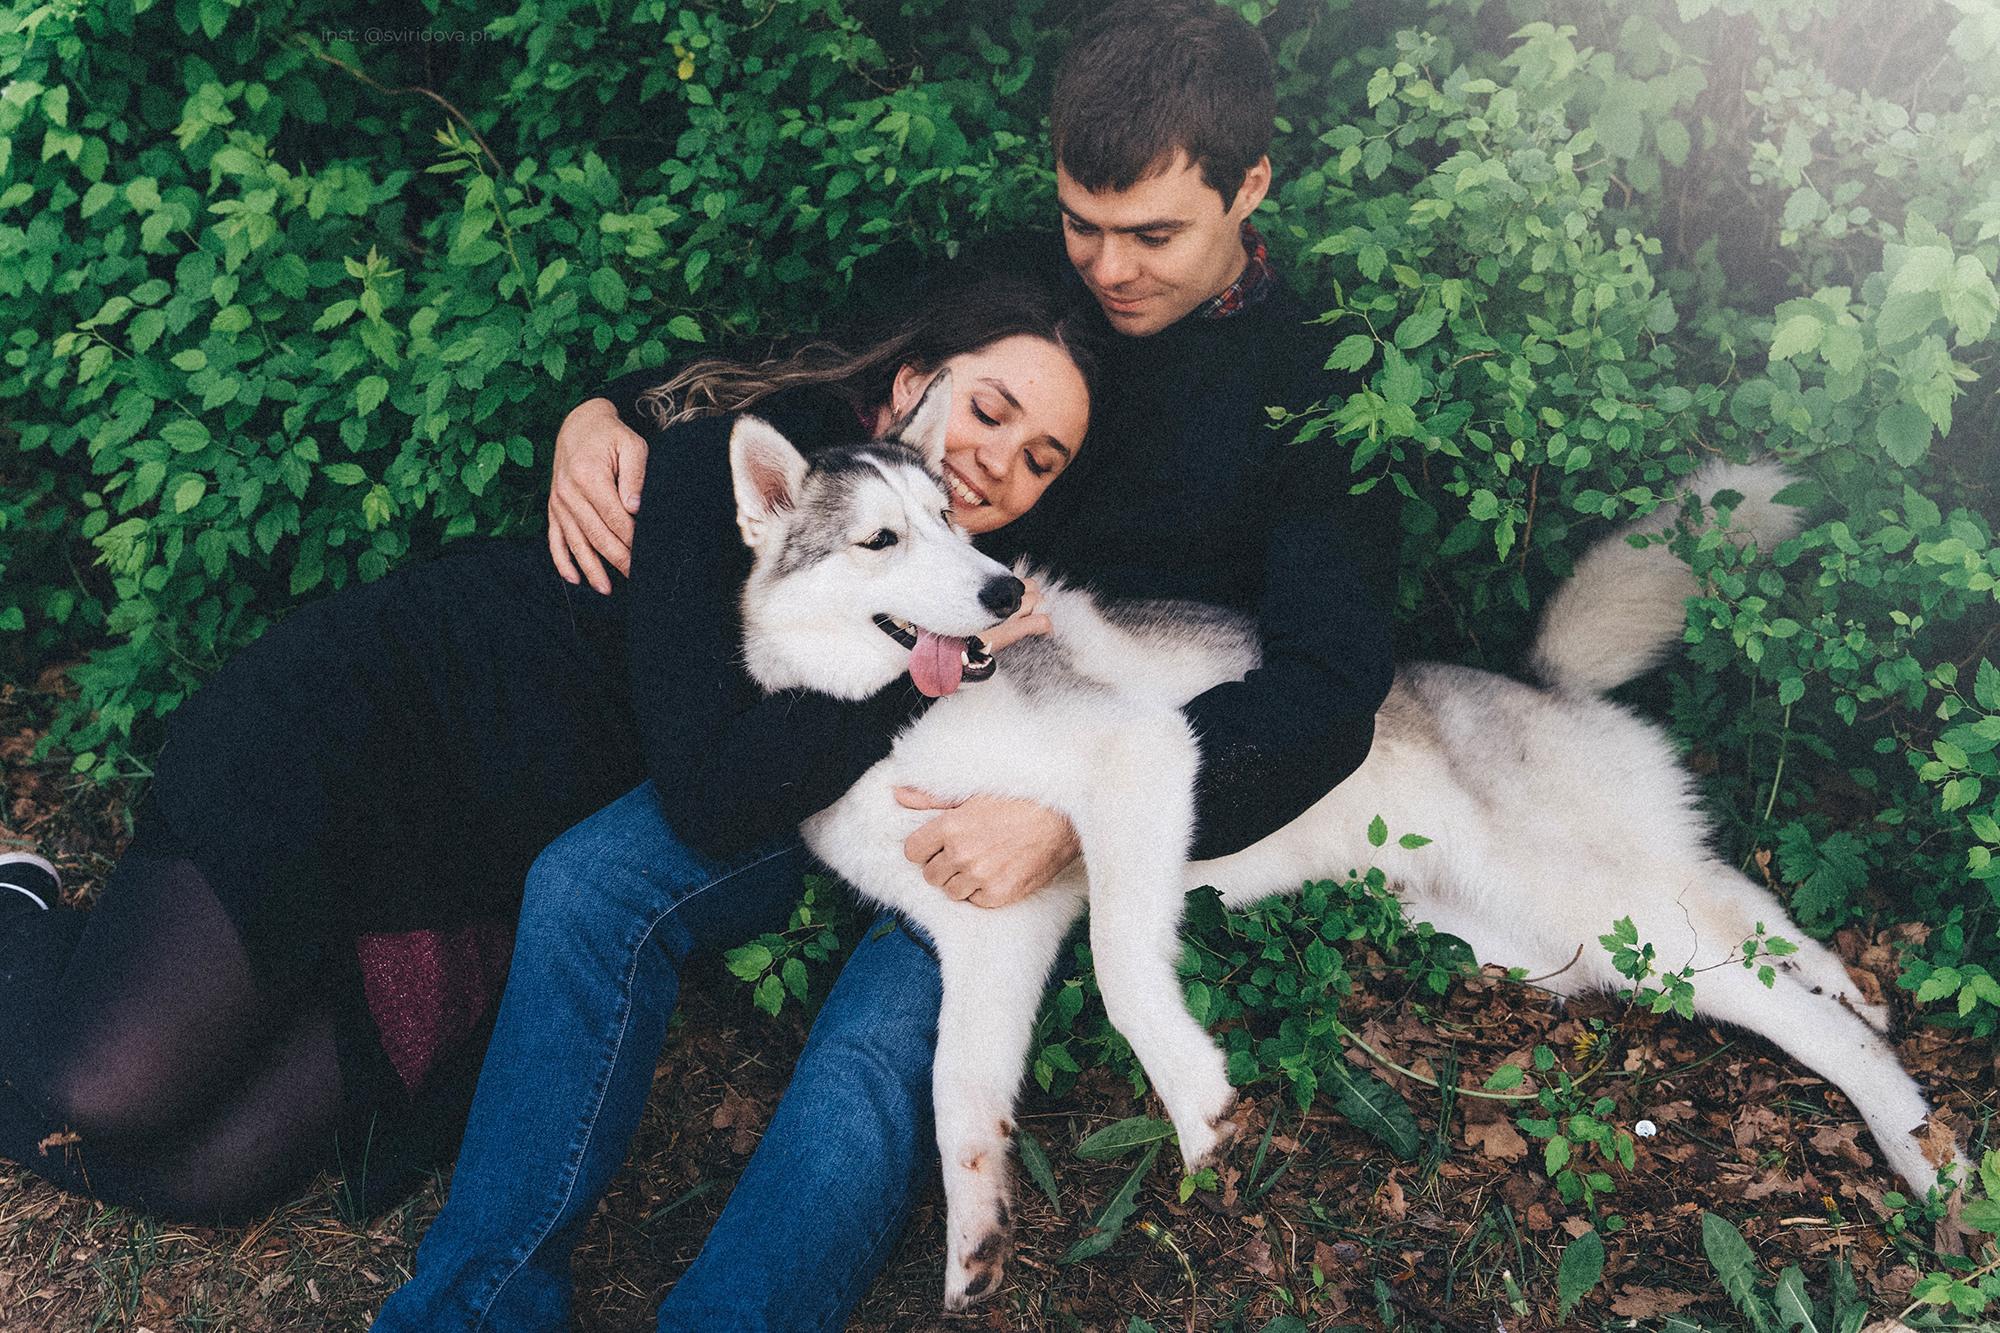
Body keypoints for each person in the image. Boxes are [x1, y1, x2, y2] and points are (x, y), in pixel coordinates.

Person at [374, 1, 1397, 1329]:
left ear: (1247, 188)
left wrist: (1067, 824)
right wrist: (611, 411)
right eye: (1082, 224)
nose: (1110, 269)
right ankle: (469, 1305)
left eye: (1151, 235)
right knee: (587, 884)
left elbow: (1325, 694)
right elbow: (793, 381)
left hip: (1035, 760)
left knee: (873, 1046)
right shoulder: (1018, 284)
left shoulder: (1315, 386)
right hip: (834, 711)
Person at [0, 272, 1095, 1227]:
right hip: (363, 731)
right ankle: (18, 905)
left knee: (213, 1172)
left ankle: (180, 961)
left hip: (458, 856)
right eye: (986, 411)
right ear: (913, 386)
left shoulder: (949, 586)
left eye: (1038, 459)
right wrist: (935, 666)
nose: (994, 462)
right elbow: (712, 800)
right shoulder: (748, 465)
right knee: (103, 1087)